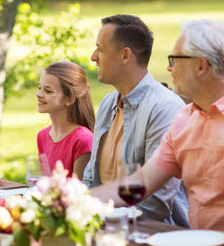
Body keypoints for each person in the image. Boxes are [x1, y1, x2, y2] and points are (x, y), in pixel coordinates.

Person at [92, 19, 224, 230]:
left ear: (200, 65)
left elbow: (155, 204)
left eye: (175, 60)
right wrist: (68, 201)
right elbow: (137, 185)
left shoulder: (167, 108)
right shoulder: (184, 121)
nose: (168, 68)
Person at [82, 14, 189, 226]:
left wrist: (87, 208)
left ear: (125, 56)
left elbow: (155, 204)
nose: (93, 57)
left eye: (100, 49)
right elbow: (89, 181)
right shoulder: (107, 103)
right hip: (104, 227)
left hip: (152, 233)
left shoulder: (165, 107)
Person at [36, 61, 94, 180]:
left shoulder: (83, 140)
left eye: (48, 91)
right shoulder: (42, 136)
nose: (39, 94)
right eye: (39, 88)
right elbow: (45, 184)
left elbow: (79, 192)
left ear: (69, 99)